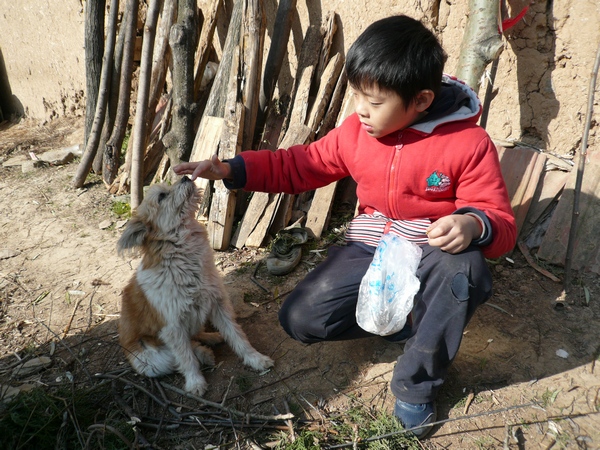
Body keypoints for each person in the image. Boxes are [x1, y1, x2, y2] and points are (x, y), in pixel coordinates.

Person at [174, 15, 516, 439]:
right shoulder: (357, 132)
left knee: (464, 269)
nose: (360, 110)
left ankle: (416, 384)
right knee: (300, 318)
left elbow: (500, 222)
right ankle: (407, 320)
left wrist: (471, 223)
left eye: (374, 102)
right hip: (372, 244)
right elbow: (300, 165)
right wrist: (231, 168)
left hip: (432, 252)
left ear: (422, 100)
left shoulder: (468, 144)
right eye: (357, 95)